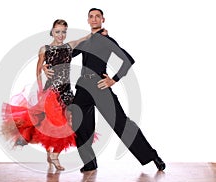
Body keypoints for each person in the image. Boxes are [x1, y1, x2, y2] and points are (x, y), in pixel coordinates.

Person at [44, 8, 166, 172]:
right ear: (88, 20)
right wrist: (45, 66)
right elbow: (63, 56)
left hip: (100, 86)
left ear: (103, 20)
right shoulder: (85, 42)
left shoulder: (108, 40)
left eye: (97, 16)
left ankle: (152, 156)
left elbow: (128, 60)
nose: (94, 19)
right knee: (80, 124)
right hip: (83, 88)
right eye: (91, 17)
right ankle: (90, 162)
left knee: (121, 123)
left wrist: (113, 80)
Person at [1, 19, 106, 170]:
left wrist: (101, 32)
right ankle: (52, 155)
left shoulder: (69, 46)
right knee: (50, 123)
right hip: (51, 91)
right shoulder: (45, 49)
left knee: (69, 123)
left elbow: (86, 38)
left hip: (67, 91)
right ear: (52, 32)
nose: (61, 35)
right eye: (58, 32)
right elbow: (37, 70)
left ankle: (54, 155)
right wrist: (40, 89)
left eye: (64, 32)